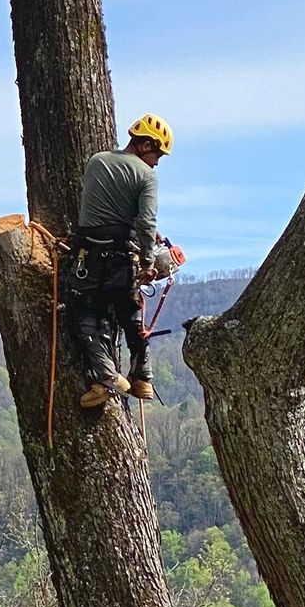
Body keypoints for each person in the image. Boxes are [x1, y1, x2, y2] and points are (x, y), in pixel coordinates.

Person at [66, 114, 174, 407]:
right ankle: (142, 377)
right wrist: (148, 261)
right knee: (130, 313)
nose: (157, 162)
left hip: (87, 254)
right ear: (145, 144)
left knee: (85, 312)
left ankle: (106, 377)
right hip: (122, 256)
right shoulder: (147, 176)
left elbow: (106, 206)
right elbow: (146, 222)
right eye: (157, 154)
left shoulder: (97, 161)